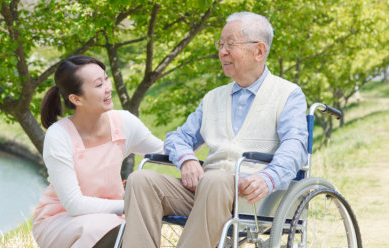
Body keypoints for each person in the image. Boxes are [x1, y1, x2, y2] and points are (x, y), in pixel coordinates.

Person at [122, 11, 308, 248]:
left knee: (215, 180)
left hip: (253, 197)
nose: (222, 52)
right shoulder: (213, 97)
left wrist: (268, 177)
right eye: (220, 45)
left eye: (230, 45)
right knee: (140, 180)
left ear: (259, 51)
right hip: (206, 190)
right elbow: (178, 137)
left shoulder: (288, 94)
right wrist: (187, 159)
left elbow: (296, 145)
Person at [32, 55, 163, 248]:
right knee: (110, 229)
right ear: (76, 98)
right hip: (61, 219)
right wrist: (129, 205)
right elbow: (74, 204)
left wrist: (203, 133)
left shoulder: (124, 122)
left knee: (127, 230)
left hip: (114, 218)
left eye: (106, 78)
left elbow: (164, 152)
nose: (108, 88)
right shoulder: (59, 136)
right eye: (98, 84)